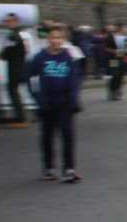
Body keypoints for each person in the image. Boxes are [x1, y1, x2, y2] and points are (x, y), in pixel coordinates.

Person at [27, 25, 84, 183]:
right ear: (48, 39)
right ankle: (48, 168)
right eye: (53, 37)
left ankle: (69, 169)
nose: (56, 41)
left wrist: (73, 99)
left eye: (59, 38)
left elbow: (75, 79)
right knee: (47, 136)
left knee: (68, 136)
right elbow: (32, 79)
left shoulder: (69, 57)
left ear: (63, 40)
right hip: (46, 103)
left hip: (65, 103)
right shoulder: (40, 58)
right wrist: (38, 99)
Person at [0, 13, 31, 124]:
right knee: (15, 91)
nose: (7, 23)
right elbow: (25, 50)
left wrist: (1, 55)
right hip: (20, 65)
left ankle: (20, 118)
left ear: (15, 22)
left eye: (9, 21)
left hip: (14, 67)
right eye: (6, 21)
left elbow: (5, 53)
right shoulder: (21, 34)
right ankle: (22, 116)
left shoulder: (12, 35)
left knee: (13, 91)